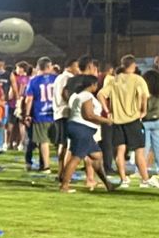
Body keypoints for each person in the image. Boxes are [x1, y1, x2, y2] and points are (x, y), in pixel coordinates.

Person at [98, 55, 151, 188]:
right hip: (133, 120)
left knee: (120, 151)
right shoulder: (138, 79)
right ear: (133, 66)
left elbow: (100, 94)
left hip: (117, 121)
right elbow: (144, 95)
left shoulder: (114, 80)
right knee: (139, 150)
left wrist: (107, 110)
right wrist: (143, 110)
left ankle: (124, 179)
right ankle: (145, 180)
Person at [61, 73, 115, 192]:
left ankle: (108, 184)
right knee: (76, 157)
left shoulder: (78, 95)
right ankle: (64, 186)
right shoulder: (86, 95)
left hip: (80, 128)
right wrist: (106, 121)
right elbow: (88, 115)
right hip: (82, 129)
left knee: (97, 156)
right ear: (92, 84)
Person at [23, 57, 57, 174]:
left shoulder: (33, 81)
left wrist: (27, 114)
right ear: (48, 66)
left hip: (40, 113)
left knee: (43, 141)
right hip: (55, 113)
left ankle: (46, 166)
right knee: (59, 142)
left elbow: (29, 99)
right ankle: (62, 166)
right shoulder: (56, 79)